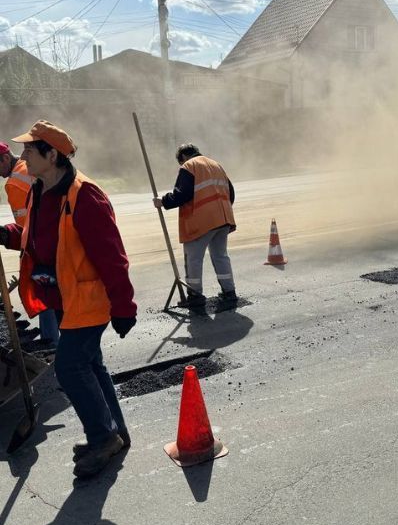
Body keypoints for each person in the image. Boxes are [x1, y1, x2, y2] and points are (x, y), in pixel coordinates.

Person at [1, 120, 137, 478]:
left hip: (88, 299)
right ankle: (115, 431)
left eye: (31, 149)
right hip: (63, 298)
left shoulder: (85, 195)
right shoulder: (39, 190)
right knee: (91, 365)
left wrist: (124, 307)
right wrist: (5, 234)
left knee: (70, 367)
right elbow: (33, 236)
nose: (24, 154)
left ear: (52, 155)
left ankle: (102, 438)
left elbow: (113, 256)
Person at [153, 143, 236, 309]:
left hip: (202, 221)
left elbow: (182, 194)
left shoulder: (189, 166)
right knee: (220, 256)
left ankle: (195, 295)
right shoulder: (215, 164)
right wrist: (221, 210)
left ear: (183, 157)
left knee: (193, 258)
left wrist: (163, 201)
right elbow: (231, 192)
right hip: (223, 218)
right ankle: (230, 292)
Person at [1, 141, 59, 345]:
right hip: (56, 239)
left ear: (6, 158)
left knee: (45, 294)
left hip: (42, 246)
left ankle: (52, 345)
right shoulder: (30, 166)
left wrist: (9, 236)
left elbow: (27, 227)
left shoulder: (15, 182)